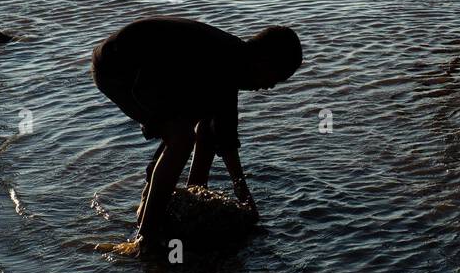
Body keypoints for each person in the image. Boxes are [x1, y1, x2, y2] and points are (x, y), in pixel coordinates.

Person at [91, 17, 302, 249]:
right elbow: (228, 144)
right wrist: (244, 197)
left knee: (200, 119)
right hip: (120, 67)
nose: (269, 87)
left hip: (152, 69)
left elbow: (215, 131)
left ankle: (195, 190)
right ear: (264, 61)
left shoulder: (233, 58)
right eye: (275, 78)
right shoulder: (228, 63)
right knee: (181, 138)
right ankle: (145, 238)